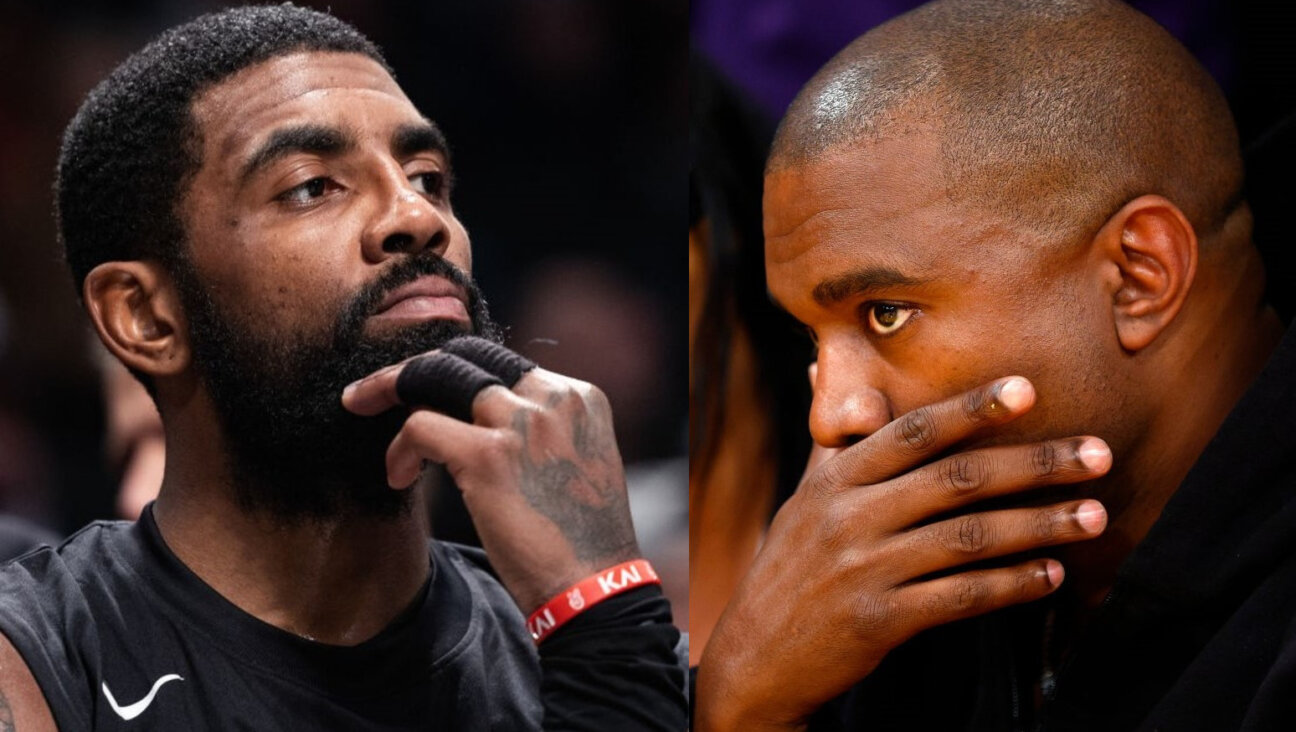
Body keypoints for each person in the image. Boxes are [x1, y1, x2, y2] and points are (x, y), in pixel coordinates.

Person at [0, 5, 684, 730]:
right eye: (312, 187)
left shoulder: (591, 638)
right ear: (145, 316)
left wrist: (600, 612)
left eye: (427, 177)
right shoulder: (38, 655)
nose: (418, 218)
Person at [696, 0, 1294, 729]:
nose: (831, 414)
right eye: (812, 341)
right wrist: (741, 699)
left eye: (885, 313)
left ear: (1140, 276)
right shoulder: (879, 594)